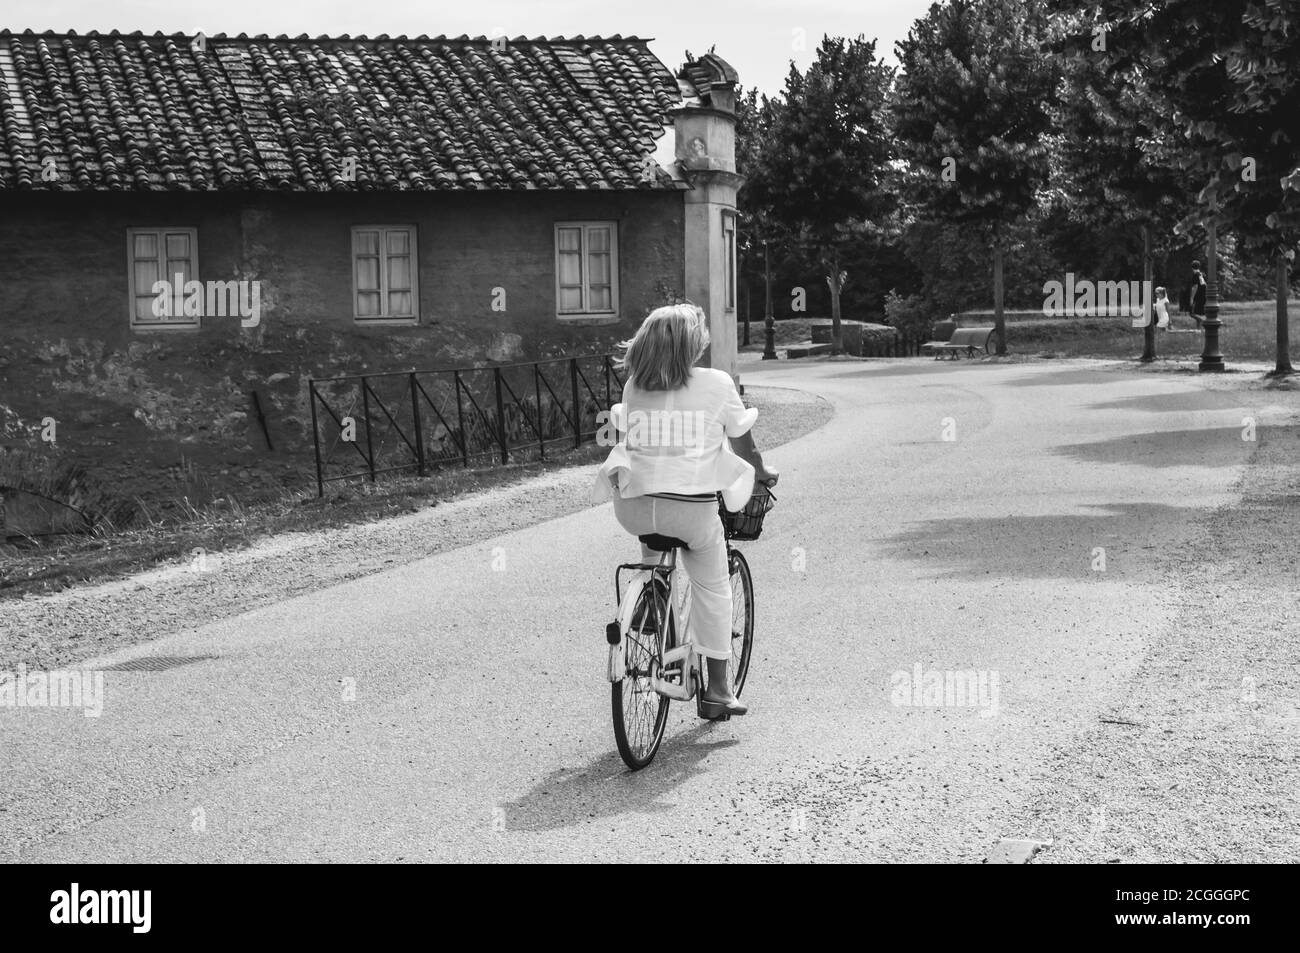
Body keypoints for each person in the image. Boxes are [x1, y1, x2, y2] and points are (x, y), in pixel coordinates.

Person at [592, 304, 778, 719]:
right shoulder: (716, 383)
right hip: (690, 512)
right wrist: (762, 473)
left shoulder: (635, 386)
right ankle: (717, 691)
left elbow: (637, 444)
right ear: (691, 344)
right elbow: (744, 445)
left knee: (654, 544)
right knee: (712, 588)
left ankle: (650, 603)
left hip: (633, 507)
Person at [1188, 261, 1207, 327]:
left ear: (1192, 268)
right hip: (1204, 295)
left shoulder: (1195, 275)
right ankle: (1198, 329)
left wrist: (1191, 298)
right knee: (1198, 313)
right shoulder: (1202, 274)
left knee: (1192, 313)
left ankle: (1204, 322)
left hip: (1198, 296)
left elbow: (1195, 287)